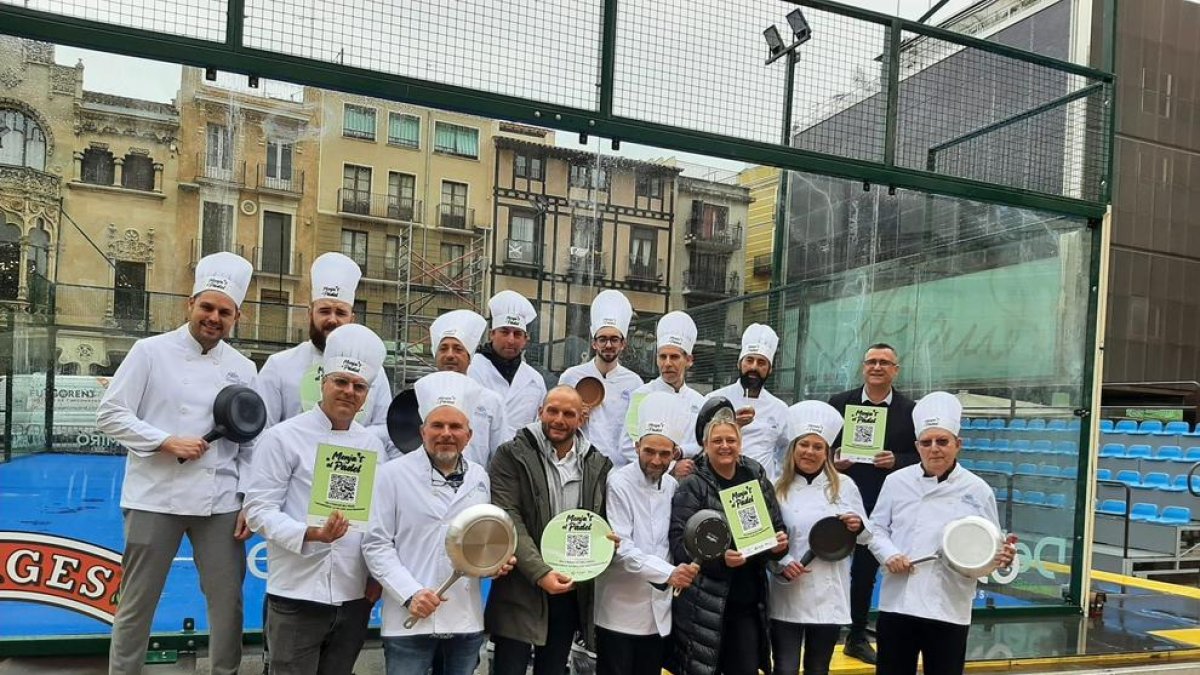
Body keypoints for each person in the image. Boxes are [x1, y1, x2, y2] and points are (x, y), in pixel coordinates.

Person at [97, 252, 258, 675]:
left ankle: (225, 671)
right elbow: (111, 413)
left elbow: (253, 442)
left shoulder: (243, 368)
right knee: (137, 600)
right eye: (207, 307)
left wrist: (250, 502)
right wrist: (165, 441)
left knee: (228, 602)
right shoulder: (149, 352)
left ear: (236, 316)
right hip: (154, 496)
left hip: (220, 502)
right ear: (190, 304)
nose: (214, 317)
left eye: (224, 312)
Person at [244, 324, 388, 675]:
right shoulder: (282, 438)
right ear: (323, 381)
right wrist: (311, 533)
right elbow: (257, 511)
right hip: (297, 593)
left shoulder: (372, 445)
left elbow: (378, 517)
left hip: (353, 594)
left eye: (358, 387)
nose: (349, 392)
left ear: (366, 394)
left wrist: (375, 577)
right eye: (341, 382)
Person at [363, 370, 515, 675]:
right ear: (422, 432)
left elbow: (477, 540)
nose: (446, 433)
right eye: (438, 425)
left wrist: (494, 563)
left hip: (464, 620)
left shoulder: (479, 478)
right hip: (410, 621)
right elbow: (376, 545)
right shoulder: (392, 475)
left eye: (456, 426)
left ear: (469, 435)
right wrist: (410, 594)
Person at [867, 392, 1017, 675]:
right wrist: (890, 555)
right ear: (917, 446)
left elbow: (989, 546)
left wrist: (1003, 556)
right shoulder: (896, 481)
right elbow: (875, 529)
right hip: (899, 601)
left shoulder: (977, 489)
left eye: (942, 441)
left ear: (958, 444)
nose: (934, 448)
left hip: (949, 603)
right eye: (927, 442)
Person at [485, 386, 613, 675]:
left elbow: (599, 518)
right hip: (520, 584)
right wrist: (540, 573)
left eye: (569, 414)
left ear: (582, 418)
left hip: (569, 584)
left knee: (553, 668)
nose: (559, 419)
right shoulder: (511, 454)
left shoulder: (597, 463)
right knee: (509, 667)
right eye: (552, 410)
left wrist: (608, 542)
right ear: (540, 411)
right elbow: (508, 517)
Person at [667, 401, 789, 675]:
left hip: (746, 599)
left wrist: (779, 546)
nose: (725, 446)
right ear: (705, 445)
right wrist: (720, 560)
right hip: (702, 604)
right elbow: (679, 542)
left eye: (731, 440)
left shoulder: (754, 475)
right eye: (717, 440)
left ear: (740, 443)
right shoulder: (693, 484)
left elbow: (775, 524)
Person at [826, 343, 918, 664]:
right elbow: (817, 449)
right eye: (872, 361)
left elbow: (922, 455)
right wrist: (833, 460)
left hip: (884, 502)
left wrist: (898, 459)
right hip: (840, 497)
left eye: (884, 362)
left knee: (866, 572)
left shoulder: (910, 410)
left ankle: (856, 634)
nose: (877, 367)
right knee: (826, 564)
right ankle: (824, 627)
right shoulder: (840, 404)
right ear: (863, 367)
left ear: (896, 369)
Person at [595, 392, 699, 675]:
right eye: (649, 451)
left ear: (674, 453)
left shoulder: (672, 486)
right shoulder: (618, 482)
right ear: (637, 445)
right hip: (619, 607)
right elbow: (622, 548)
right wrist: (669, 573)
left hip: (658, 611)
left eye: (664, 454)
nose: (656, 460)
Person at [255, 252, 394, 455]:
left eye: (340, 313)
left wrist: (345, 437)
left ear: (352, 318)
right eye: (324, 311)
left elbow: (385, 427)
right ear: (309, 313)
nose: (332, 320)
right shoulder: (278, 365)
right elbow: (262, 431)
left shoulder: (375, 371)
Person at [769, 401, 867, 675]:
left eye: (817, 447)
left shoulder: (845, 486)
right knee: (785, 668)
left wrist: (857, 525)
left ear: (827, 453)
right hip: (788, 590)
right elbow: (768, 541)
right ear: (793, 448)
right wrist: (782, 561)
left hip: (829, 593)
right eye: (804, 445)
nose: (809, 452)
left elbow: (866, 536)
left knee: (818, 668)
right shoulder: (777, 489)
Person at [558, 290, 644, 466]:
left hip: (619, 469)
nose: (608, 345)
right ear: (594, 342)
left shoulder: (635, 383)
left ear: (623, 344)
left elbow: (637, 432)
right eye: (603, 339)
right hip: (578, 466)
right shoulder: (571, 377)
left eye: (614, 339)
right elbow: (554, 423)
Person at [620, 311, 705, 475]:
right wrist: (671, 468)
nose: (667, 363)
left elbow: (703, 444)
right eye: (662, 357)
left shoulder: (699, 402)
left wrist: (681, 452)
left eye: (674, 357)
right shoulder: (641, 395)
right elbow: (627, 445)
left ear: (689, 360)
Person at [705, 324, 790, 480]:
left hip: (762, 486)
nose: (754, 367)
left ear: (770, 369)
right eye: (749, 360)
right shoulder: (714, 400)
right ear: (739, 364)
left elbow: (786, 451)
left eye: (761, 363)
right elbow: (701, 443)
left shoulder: (780, 408)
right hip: (719, 483)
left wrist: (775, 479)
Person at [430, 309, 508, 467]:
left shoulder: (490, 402)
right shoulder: (417, 397)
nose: (450, 355)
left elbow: (501, 459)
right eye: (443, 348)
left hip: (474, 488)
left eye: (458, 349)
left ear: (470, 357)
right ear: (435, 355)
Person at [469, 290, 548, 439]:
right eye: (504, 332)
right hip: (475, 457)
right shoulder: (471, 369)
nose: (511, 340)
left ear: (526, 339)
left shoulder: (535, 381)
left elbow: (540, 427)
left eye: (517, 334)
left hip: (517, 460)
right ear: (492, 334)